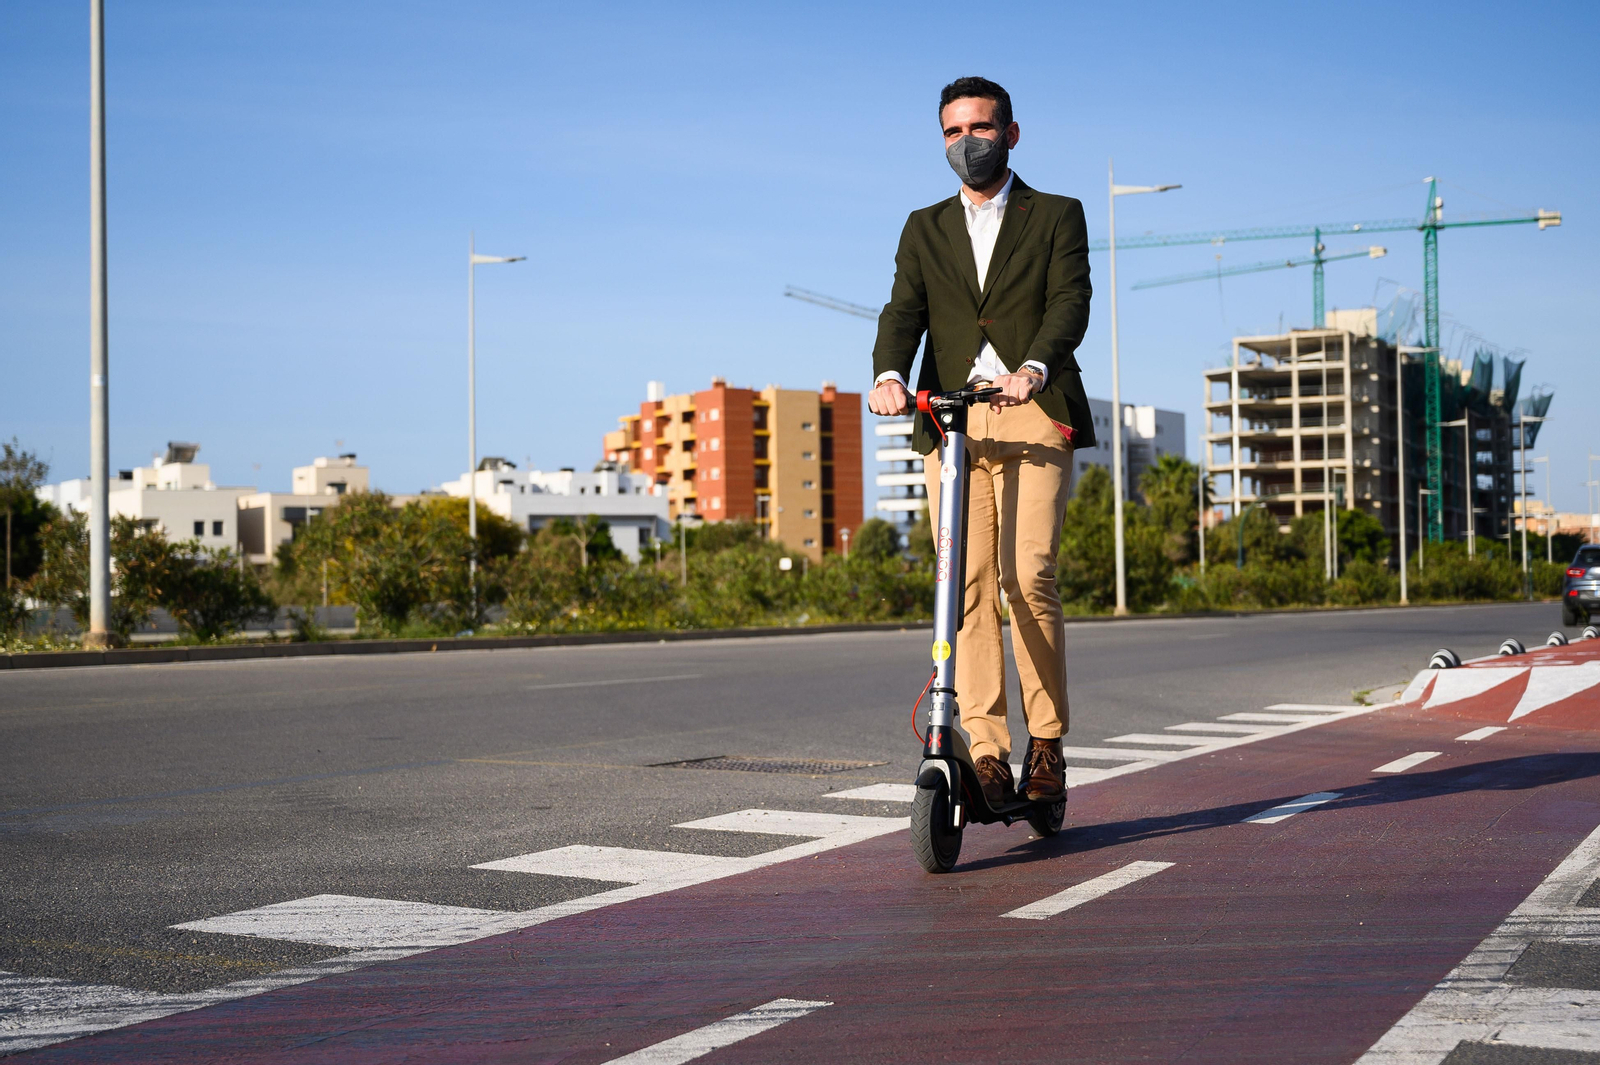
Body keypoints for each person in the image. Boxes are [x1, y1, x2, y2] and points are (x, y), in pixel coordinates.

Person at [868, 76, 1095, 807]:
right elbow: (904, 310)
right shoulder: (923, 226)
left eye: (981, 128)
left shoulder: (1056, 214)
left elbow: (1070, 301)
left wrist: (1035, 366)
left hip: (1032, 409)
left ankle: (1048, 744)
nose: (967, 143)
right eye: (952, 132)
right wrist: (887, 374)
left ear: (1012, 133)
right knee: (962, 588)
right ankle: (988, 751)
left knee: (1027, 576)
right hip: (953, 417)